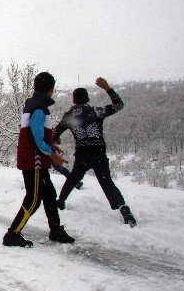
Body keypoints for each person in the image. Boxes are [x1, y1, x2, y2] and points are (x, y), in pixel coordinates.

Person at [3, 72, 75, 247]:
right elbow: (35, 136)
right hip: (34, 159)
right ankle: (12, 234)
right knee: (34, 199)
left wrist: (50, 145)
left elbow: (35, 132)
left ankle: (55, 230)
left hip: (34, 158)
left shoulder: (34, 104)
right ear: (51, 90)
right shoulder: (39, 107)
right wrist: (51, 154)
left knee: (49, 194)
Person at [53, 78, 136, 227]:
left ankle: (60, 202)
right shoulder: (96, 111)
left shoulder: (69, 116)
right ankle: (123, 207)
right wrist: (107, 88)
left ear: (73, 100)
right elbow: (119, 105)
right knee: (106, 181)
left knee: (73, 178)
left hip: (82, 154)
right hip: (98, 152)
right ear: (87, 99)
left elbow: (54, 132)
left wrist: (57, 139)